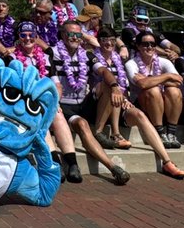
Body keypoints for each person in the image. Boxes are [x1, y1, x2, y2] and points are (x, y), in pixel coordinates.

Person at [90, 27, 184, 180]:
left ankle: (167, 161)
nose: (108, 43)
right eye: (104, 40)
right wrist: (164, 79)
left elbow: (178, 81)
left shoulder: (119, 59)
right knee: (112, 87)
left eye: (112, 40)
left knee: (139, 115)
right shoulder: (92, 57)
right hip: (98, 106)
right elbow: (136, 84)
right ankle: (114, 133)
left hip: (122, 104)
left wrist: (128, 97)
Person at [50, 21, 130, 184]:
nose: (75, 38)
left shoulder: (87, 55)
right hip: (63, 105)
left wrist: (115, 86)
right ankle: (112, 167)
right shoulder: (52, 53)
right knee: (82, 124)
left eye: (78, 35)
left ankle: (99, 131)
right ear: (63, 35)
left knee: (106, 85)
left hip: (83, 103)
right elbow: (54, 84)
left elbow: (103, 70)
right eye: (71, 34)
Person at [11, 21, 84, 184]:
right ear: (18, 37)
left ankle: (72, 164)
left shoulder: (45, 58)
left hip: (45, 102)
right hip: (24, 104)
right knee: (39, 116)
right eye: (23, 35)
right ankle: (55, 163)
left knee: (57, 115)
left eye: (31, 35)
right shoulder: (11, 58)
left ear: (37, 37)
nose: (28, 38)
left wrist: (55, 102)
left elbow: (56, 85)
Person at [125, 30, 184, 150]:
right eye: (145, 44)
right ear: (138, 46)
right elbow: (142, 85)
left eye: (152, 44)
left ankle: (171, 133)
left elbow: (178, 81)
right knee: (153, 90)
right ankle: (159, 132)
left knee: (174, 91)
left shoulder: (164, 62)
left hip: (162, 102)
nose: (149, 47)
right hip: (141, 103)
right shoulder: (131, 63)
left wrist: (150, 80)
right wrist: (167, 76)